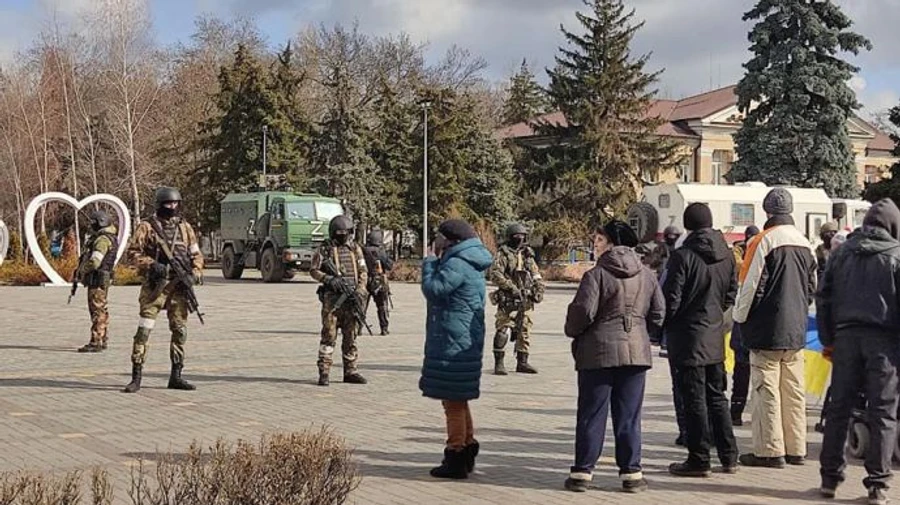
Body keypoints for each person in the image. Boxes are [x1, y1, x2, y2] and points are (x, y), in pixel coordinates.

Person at [563, 220, 665, 494]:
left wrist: (573, 331)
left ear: (610, 243)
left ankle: (582, 472)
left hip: (597, 353)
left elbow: (582, 312)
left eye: (598, 240)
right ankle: (632, 473)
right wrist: (642, 333)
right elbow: (658, 313)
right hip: (636, 354)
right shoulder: (647, 275)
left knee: (592, 413)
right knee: (629, 415)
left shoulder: (596, 275)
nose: (595, 245)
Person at [817, 199, 900, 505]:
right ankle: (878, 485)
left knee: (839, 409)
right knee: (883, 413)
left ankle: (829, 478)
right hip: (885, 342)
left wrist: (828, 339)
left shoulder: (842, 254)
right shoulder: (896, 255)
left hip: (846, 338)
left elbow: (823, 297)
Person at [733, 188, 816, 468]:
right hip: (796, 329)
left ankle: (770, 451)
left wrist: (740, 317)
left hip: (767, 329)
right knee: (793, 390)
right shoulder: (805, 242)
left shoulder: (762, 241)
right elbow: (812, 287)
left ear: (767, 211)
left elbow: (750, 285)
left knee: (766, 389)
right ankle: (797, 448)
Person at [662, 203, 739, 477]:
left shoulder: (682, 257)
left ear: (688, 226)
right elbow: (731, 293)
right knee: (717, 397)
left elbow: (671, 299)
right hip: (714, 334)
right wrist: (714, 313)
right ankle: (729, 455)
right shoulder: (727, 256)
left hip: (688, 337)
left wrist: (666, 324)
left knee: (693, 398)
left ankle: (699, 458)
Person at [420, 219, 493, 479]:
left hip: (453, 339)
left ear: (451, 240)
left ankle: (456, 454)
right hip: (461, 336)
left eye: (439, 237)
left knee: (452, 400)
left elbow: (435, 289)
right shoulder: (468, 259)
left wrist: (429, 262)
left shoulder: (458, 263)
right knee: (458, 398)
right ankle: (467, 444)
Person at [122, 187, 204, 393]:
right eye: (168, 204)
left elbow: (196, 254)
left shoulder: (185, 228)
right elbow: (132, 253)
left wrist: (195, 274)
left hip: (179, 287)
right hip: (155, 287)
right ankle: (136, 376)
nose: (172, 207)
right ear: (160, 205)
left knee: (180, 330)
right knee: (144, 329)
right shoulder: (147, 227)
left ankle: (176, 375)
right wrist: (151, 265)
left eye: (175, 203)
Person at [309, 215, 369, 387]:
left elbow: (363, 271)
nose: (344, 236)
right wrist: (328, 279)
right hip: (332, 301)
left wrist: (360, 291)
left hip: (352, 300)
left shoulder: (355, 248)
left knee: (351, 337)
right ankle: (324, 371)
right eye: (340, 233)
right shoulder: (324, 249)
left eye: (346, 233)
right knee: (329, 336)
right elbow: (313, 270)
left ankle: (350, 371)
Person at [489, 223, 546, 375]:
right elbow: (495, 274)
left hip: (525, 299)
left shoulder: (527, 255)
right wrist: (510, 287)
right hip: (508, 298)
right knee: (503, 329)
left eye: (522, 236)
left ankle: (522, 362)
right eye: (516, 236)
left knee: (524, 329)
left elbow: (535, 274)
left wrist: (539, 289)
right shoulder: (503, 254)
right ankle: (499, 363)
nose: (519, 238)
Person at [76, 210, 119, 353]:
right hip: (102, 278)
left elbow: (95, 261)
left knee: (97, 311)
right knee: (102, 310)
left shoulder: (102, 240)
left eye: (93, 223)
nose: (91, 225)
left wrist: (82, 270)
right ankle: (103, 338)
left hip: (97, 278)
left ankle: (96, 341)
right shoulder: (110, 237)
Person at [729, 225, 759, 426]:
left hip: (746, 324)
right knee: (742, 371)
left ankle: (738, 411)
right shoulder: (738, 255)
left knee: (746, 372)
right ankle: (736, 412)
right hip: (745, 324)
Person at [362, 229, 394, 335]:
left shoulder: (363, 250)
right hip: (379, 281)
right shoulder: (380, 251)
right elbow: (389, 266)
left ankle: (358, 328)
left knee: (362, 306)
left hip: (365, 280)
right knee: (382, 306)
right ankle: (384, 328)